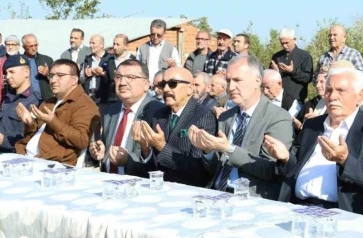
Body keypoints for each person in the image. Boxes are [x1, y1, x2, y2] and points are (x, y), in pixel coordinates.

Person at [266, 67, 363, 218]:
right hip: (298, 209)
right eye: (328, 90)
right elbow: (294, 167)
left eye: (341, 90)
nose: (332, 96)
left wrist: (346, 160)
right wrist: (285, 158)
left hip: (343, 216)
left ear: (359, 96)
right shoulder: (312, 125)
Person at [190, 55, 294, 199]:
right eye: (228, 81)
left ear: (257, 82)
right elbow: (216, 168)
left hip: (251, 200)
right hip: (216, 192)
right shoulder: (226, 117)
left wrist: (229, 149)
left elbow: (269, 170)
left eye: (237, 80)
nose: (230, 87)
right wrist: (208, 150)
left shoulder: (278, 117)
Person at [128, 67, 217, 186]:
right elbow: (152, 170)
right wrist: (145, 148)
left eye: (172, 84)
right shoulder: (159, 115)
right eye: (163, 84)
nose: (165, 89)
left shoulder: (203, 116)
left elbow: (198, 170)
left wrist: (162, 147)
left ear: (190, 89)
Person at [15, 60, 100, 166]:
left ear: (74, 79)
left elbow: (81, 140)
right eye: (51, 75)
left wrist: (53, 121)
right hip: (24, 156)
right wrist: (29, 123)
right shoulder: (48, 102)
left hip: (50, 164)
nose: (53, 80)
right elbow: (34, 135)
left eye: (60, 75)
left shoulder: (84, 104)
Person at [88, 59, 162, 174]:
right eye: (118, 76)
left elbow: (161, 161)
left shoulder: (158, 112)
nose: (122, 82)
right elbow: (106, 146)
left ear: (146, 84)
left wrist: (129, 160)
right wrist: (100, 151)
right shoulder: (111, 111)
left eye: (130, 77)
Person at [269, 27, 313, 104]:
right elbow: (269, 78)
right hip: (278, 99)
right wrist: (275, 72)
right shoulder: (277, 56)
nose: (285, 46)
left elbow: (308, 78)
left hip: (297, 100)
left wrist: (293, 71)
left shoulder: (304, 56)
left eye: (287, 43)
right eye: (282, 43)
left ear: (294, 40)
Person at [80, 34, 112, 111]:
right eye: (90, 43)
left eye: (93, 43)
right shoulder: (87, 59)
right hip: (89, 96)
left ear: (101, 45)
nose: (90, 45)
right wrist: (85, 74)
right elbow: (81, 79)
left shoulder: (110, 59)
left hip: (104, 98)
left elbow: (113, 78)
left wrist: (102, 74)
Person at [0, 35, 22, 105]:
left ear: (18, 46)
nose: (10, 47)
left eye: (13, 44)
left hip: (19, 96)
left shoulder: (23, 60)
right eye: (8, 44)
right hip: (3, 96)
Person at [21, 34, 53, 100]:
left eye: (35, 45)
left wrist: (48, 73)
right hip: (25, 100)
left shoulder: (47, 60)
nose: (34, 48)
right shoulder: (18, 62)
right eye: (30, 46)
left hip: (45, 100)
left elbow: (58, 79)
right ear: (24, 47)